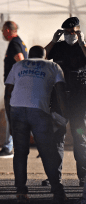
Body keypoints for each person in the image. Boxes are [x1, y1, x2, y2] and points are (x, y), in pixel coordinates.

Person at [5, 45, 68, 203]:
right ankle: (57, 190)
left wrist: (10, 120)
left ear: (29, 55)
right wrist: (65, 115)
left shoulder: (18, 65)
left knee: (20, 153)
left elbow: (7, 93)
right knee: (48, 152)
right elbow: (61, 92)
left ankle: (21, 191)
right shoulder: (53, 66)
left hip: (17, 109)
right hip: (39, 110)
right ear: (44, 56)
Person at [45, 17, 86, 188]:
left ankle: (83, 176)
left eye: (73, 31)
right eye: (67, 32)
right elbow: (42, 56)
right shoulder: (59, 47)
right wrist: (53, 41)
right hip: (60, 100)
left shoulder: (82, 47)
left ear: (78, 31)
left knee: (79, 136)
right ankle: (54, 177)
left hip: (78, 102)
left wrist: (83, 42)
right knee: (57, 138)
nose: (70, 35)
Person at [0, 21, 28, 159]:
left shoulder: (14, 43)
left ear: (8, 30)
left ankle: (9, 147)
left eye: (3, 30)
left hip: (14, 86)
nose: (2, 33)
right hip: (17, 86)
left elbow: (20, 60)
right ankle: (10, 146)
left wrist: (18, 83)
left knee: (11, 115)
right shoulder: (20, 42)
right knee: (14, 116)